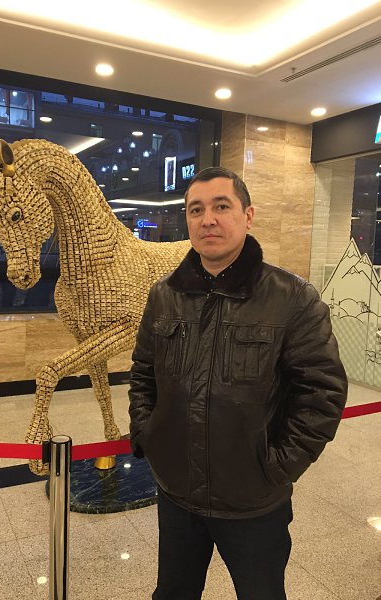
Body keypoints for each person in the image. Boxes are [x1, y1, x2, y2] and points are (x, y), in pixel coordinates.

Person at [128, 166, 347, 600]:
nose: (207, 219)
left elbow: (322, 394)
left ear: (248, 216)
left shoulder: (293, 298)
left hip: (253, 502)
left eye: (221, 206)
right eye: (196, 210)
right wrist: (147, 435)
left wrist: (276, 468)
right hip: (176, 494)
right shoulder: (164, 295)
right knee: (172, 593)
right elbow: (143, 373)